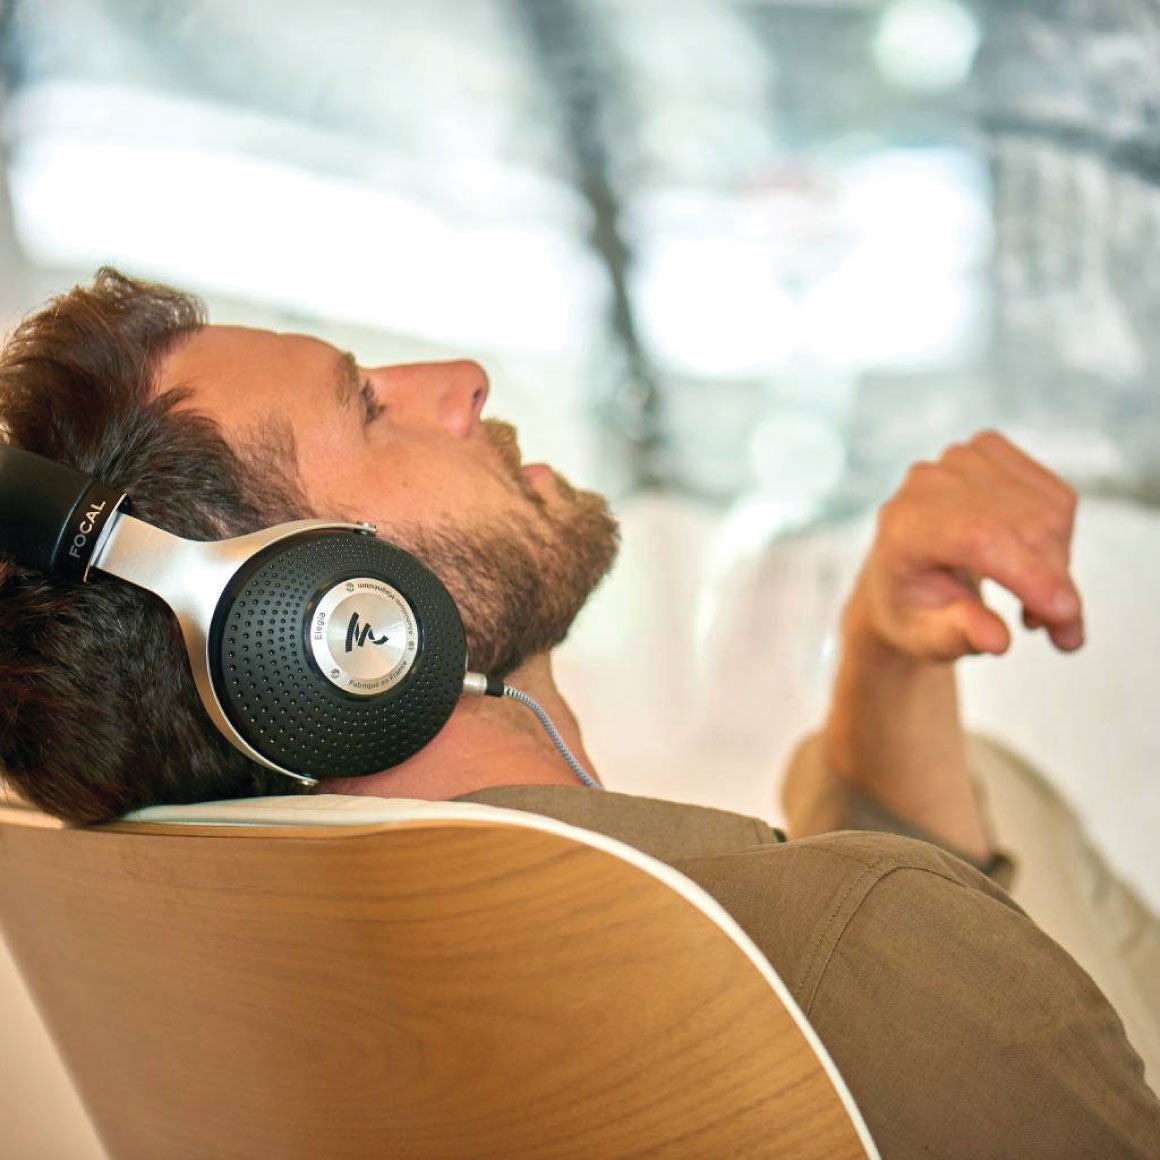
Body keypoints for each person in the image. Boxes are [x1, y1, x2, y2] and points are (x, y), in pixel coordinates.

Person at [1, 269, 1157, 1157]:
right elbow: (868, 962)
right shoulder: (867, 931)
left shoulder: (228, 966)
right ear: (315, 625)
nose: (462, 379)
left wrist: (883, 656)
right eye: (368, 407)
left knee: (984, 778)